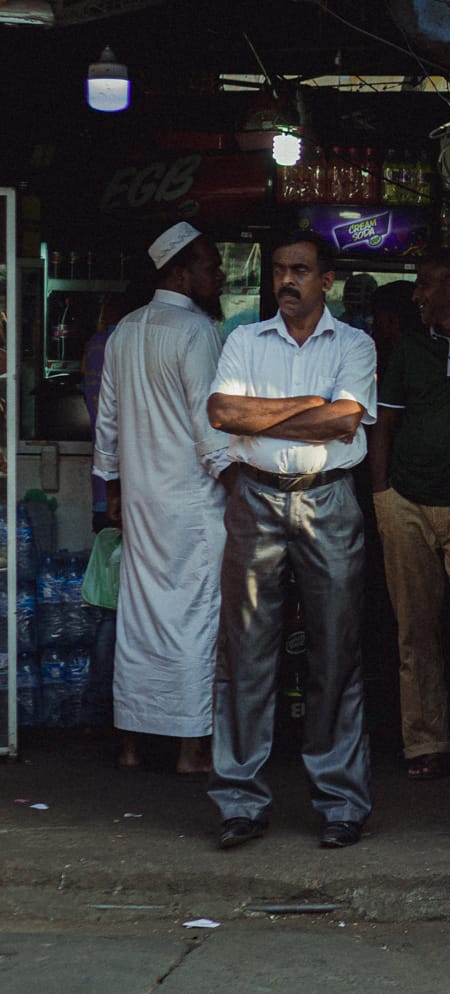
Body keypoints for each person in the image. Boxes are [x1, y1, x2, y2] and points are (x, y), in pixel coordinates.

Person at [206, 231, 377, 850]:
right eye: (279, 269)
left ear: (325, 279)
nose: (288, 280)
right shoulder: (243, 339)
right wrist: (307, 404)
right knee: (246, 651)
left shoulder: (354, 343)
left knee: (336, 649)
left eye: (300, 270)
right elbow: (223, 414)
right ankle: (239, 801)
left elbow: (345, 419)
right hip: (254, 495)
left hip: (328, 496)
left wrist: (272, 412)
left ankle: (340, 801)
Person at [92, 222, 232, 775]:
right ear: (180, 272)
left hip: (143, 503)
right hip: (194, 502)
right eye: (210, 266)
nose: (218, 276)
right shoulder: (196, 333)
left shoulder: (125, 329)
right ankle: (190, 750)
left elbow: (107, 423)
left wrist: (115, 491)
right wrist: (241, 491)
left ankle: (130, 746)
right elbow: (212, 428)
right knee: (197, 619)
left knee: (140, 618)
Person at [368, 249, 450, 781]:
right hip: (407, 503)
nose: (415, 294)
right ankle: (425, 742)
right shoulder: (410, 347)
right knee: (414, 628)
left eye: (425, 283)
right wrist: (381, 494)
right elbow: (384, 425)